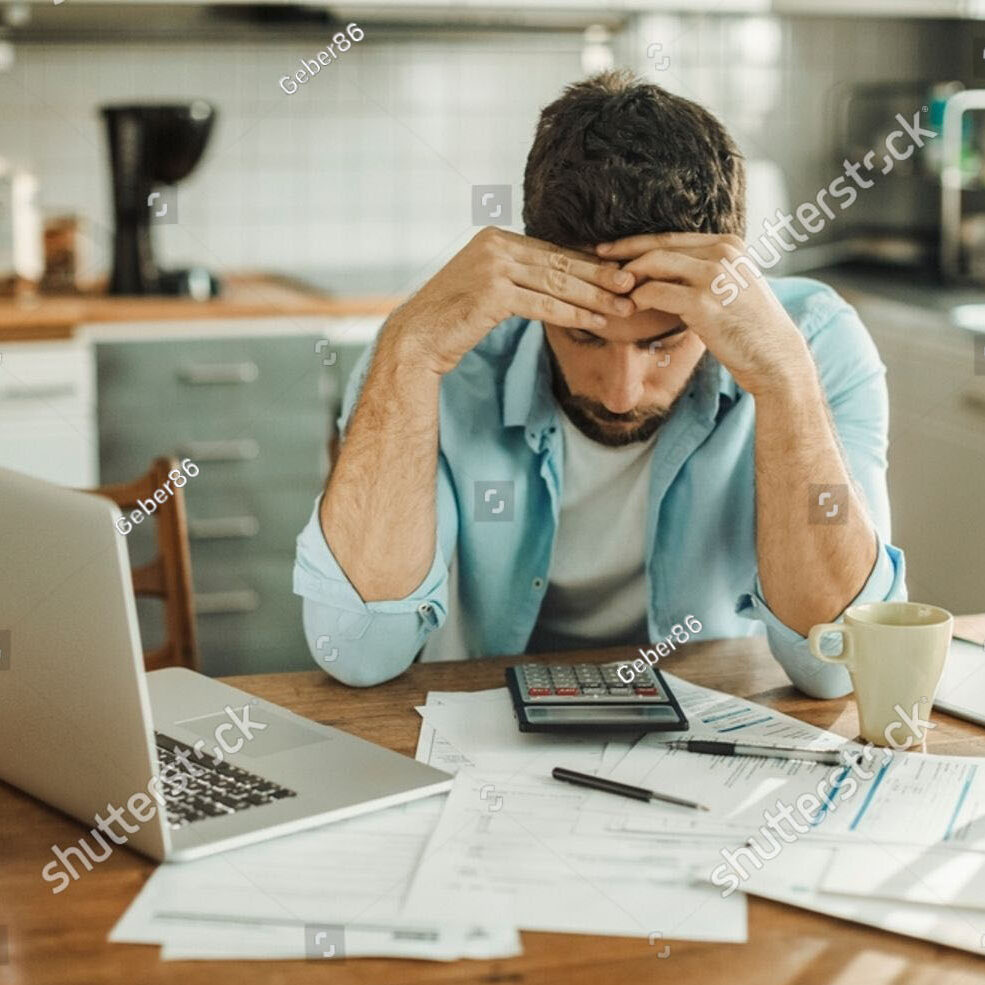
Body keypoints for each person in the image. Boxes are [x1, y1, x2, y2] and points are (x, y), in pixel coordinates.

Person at [293, 70, 905, 696]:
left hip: (711, 742)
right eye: (584, 335)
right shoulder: (444, 347)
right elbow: (357, 652)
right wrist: (408, 350)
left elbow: (837, 665)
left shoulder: (812, 344)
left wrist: (785, 382)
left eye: (664, 342)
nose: (621, 392)